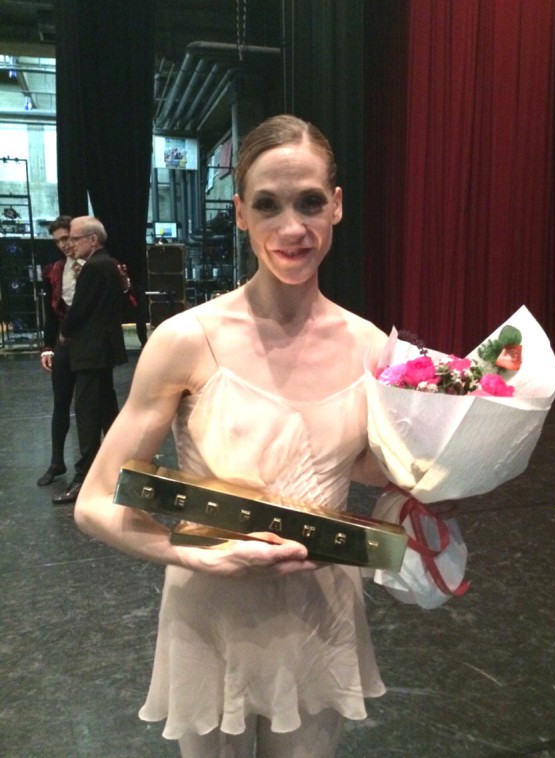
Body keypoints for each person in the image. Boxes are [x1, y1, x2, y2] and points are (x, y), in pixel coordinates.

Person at [74, 115, 394, 758]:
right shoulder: (187, 339)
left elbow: (358, 466)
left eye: (309, 203)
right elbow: (95, 500)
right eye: (267, 206)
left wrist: (436, 472)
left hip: (320, 614)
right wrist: (195, 556)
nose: (292, 229)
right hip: (211, 612)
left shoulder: (373, 347)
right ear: (241, 214)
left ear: (337, 206)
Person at [52, 216, 128, 505]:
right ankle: (121, 469)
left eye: (75, 238)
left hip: (90, 352)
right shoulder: (108, 264)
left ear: (92, 239)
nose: (71, 243)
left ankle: (84, 478)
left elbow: (79, 310)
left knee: (87, 415)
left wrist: (64, 334)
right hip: (100, 351)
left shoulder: (95, 267)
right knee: (107, 413)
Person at [37, 215, 80, 486]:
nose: (63, 245)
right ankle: (56, 462)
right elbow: (52, 313)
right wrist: (47, 347)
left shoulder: (97, 264)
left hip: (91, 345)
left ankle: (98, 465)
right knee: (60, 403)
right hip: (64, 343)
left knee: (96, 408)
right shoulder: (55, 270)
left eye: (66, 238)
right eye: (57, 241)